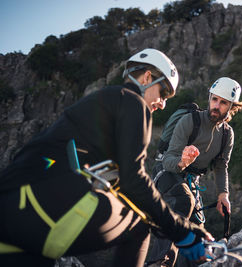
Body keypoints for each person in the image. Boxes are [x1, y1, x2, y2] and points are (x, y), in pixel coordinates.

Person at [0, 48, 213, 267]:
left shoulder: (101, 103)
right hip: (44, 206)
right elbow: (134, 181)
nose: (162, 103)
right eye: (164, 92)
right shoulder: (133, 102)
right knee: (139, 227)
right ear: (147, 77)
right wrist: (182, 231)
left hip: (11, 206)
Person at [148, 77, 242, 266]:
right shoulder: (189, 121)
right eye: (214, 99)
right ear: (209, 98)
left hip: (192, 181)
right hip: (167, 171)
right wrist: (183, 161)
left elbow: (221, 166)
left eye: (223, 102)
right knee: (183, 201)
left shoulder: (227, 134)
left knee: (198, 233)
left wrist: (223, 195)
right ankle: (158, 262)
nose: (216, 106)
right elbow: (168, 161)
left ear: (231, 106)